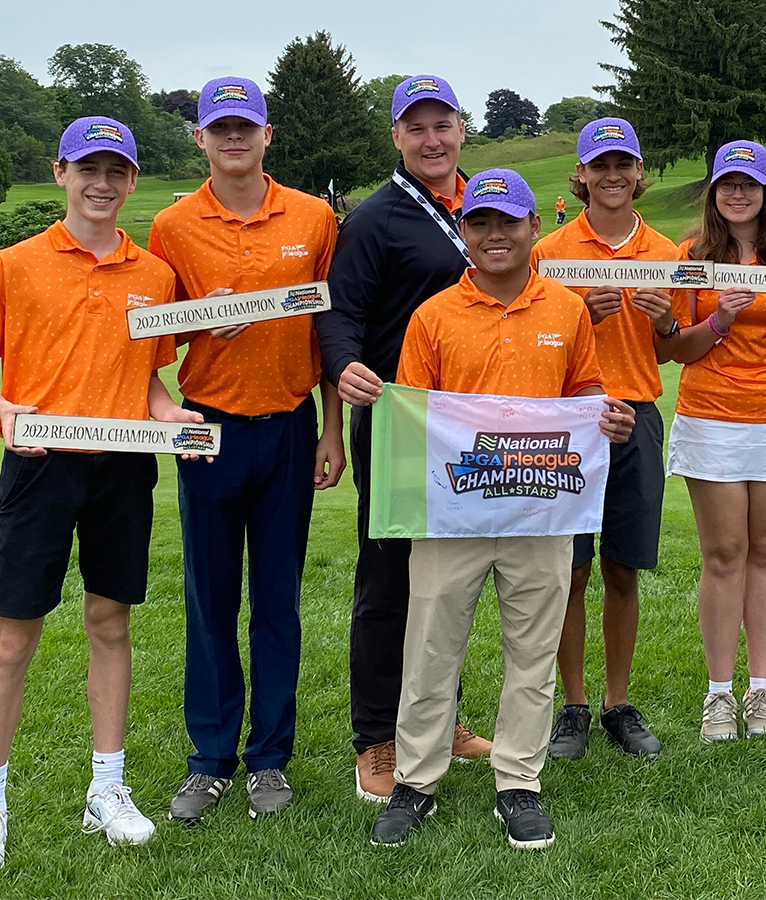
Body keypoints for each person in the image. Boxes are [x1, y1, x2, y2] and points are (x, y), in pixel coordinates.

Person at [0, 116, 196, 881]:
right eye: (87, 168)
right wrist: (3, 410)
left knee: (109, 620)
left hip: (122, 467)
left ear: (130, 181)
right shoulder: (14, 264)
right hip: (39, 464)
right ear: (59, 172)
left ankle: (107, 789)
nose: (102, 183)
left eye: (116, 171)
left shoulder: (154, 275)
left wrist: (169, 414)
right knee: (14, 635)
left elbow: (147, 377)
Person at [369, 168, 636, 850]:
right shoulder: (433, 316)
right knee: (430, 648)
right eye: (480, 223)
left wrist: (606, 420)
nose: (494, 236)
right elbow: (414, 417)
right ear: (463, 232)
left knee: (533, 651)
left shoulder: (567, 310)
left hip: (539, 514)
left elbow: (586, 392)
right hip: (451, 515)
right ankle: (416, 781)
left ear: (533, 227)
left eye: (507, 222)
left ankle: (519, 780)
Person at [146, 77, 344, 823]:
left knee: (277, 603)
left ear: (268, 135)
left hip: (290, 427)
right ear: (199, 138)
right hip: (206, 429)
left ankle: (269, 758)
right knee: (209, 601)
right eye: (220, 128)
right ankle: (208, 759)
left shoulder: (315, 217)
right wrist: (200, 327)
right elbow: (152, 337)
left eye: (247, 126)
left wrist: (332, 430)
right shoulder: (172, 226)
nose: (234, 138)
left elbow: (330, 331)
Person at [318, 74, 493, 804]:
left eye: (442, 125)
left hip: (472, 423)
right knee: (388, 581)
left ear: (461, 131)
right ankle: (378, 738)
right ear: (397, 136)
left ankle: (440, 716)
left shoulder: (487, 209)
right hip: (397, 419)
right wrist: (343, 365)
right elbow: (338, 313)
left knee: (450, 582)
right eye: (416, 128)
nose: (431, 139)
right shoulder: (375, 219)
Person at [529, 117, 678, 761]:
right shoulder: (550, 253)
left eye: (624, 165)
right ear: (581, 175)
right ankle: (574, 705)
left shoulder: (668, 253)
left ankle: (618, 702)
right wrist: (573, 315)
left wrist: (668, 318)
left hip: (637, 414)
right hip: (566, 420)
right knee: (570, 567)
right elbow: (529, 345)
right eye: (600, 165)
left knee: (623, 566)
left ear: (639, 174)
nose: (612, 176)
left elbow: (674, 350)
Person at [666, 140, 766, 741]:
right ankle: (719, 694)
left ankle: (761, 691)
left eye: (749, 184)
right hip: (711, 417)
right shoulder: (691, 256)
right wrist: (720, 320)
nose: (738, 194)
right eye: (727, 184)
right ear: (713, 191)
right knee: (723, 554)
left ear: (765, 192)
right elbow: (674, 349)